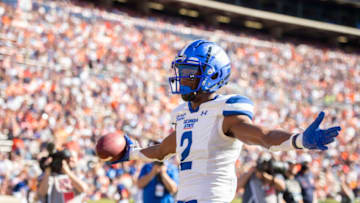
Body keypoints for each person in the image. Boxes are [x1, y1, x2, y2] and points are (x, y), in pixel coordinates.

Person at [110, 39, 341, 202]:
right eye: (181, 70)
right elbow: (163, 150)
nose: (182, 77)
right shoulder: (183, 114)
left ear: (211, 74)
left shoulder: (225, 112)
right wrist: (132, 153)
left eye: (190, 71)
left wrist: (299, 139)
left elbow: (262, 136)